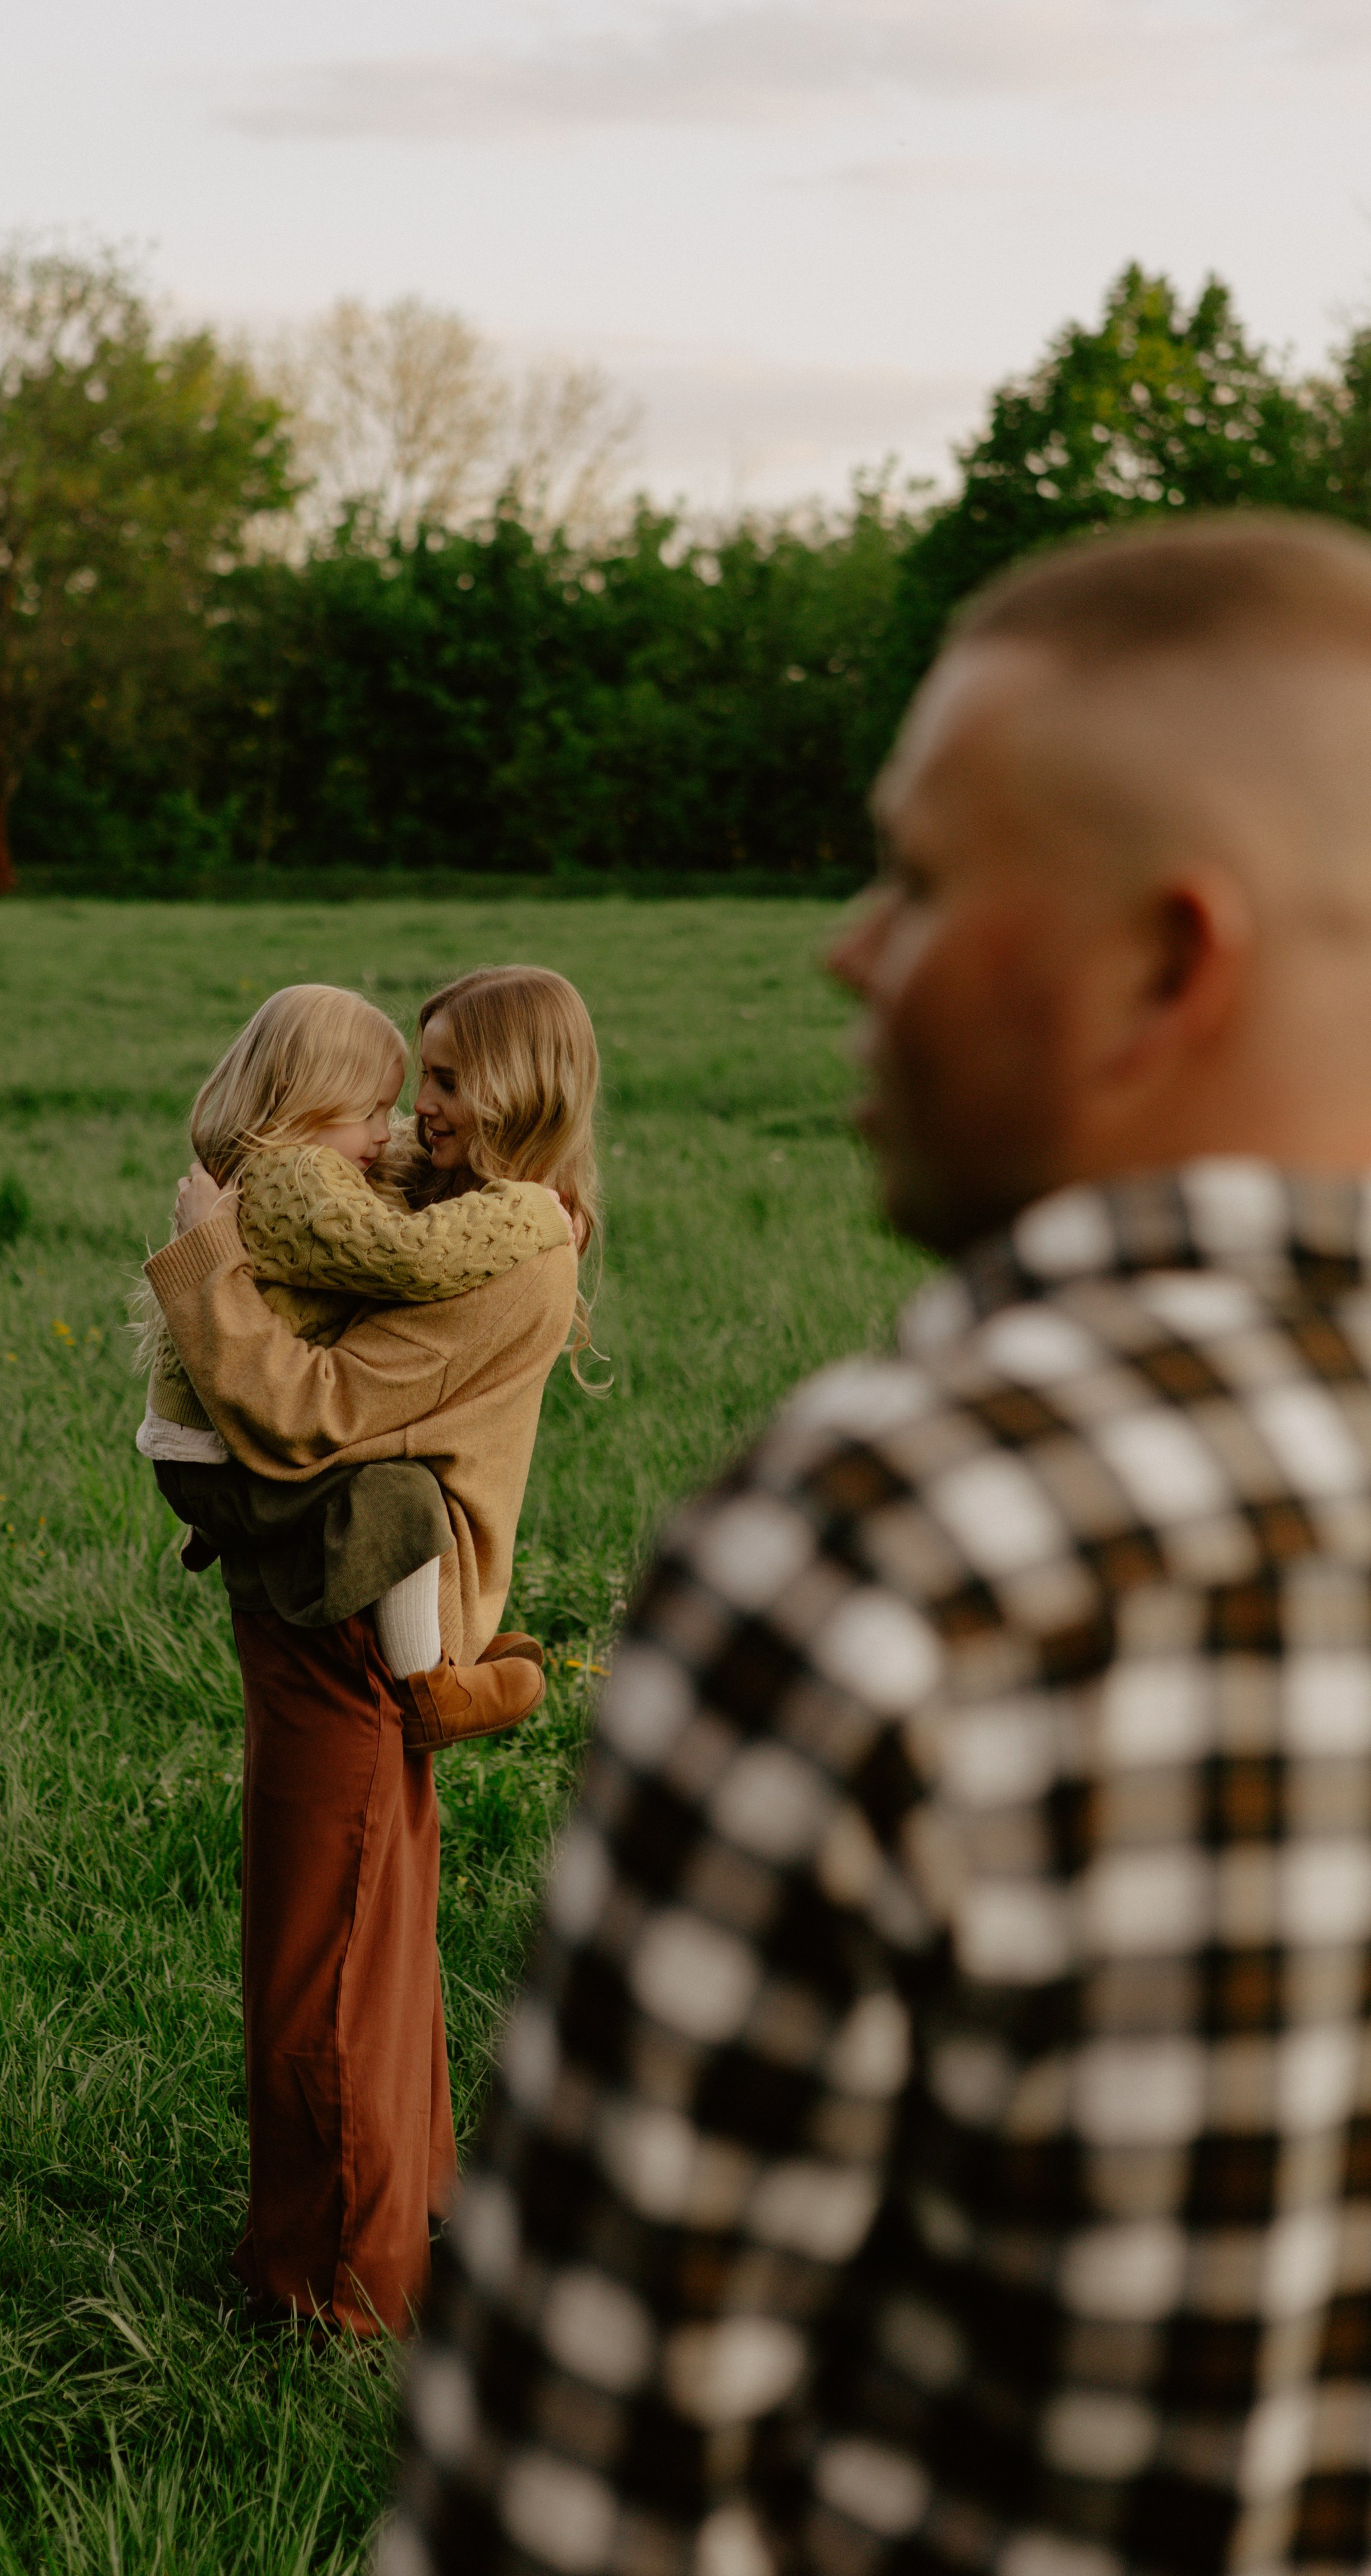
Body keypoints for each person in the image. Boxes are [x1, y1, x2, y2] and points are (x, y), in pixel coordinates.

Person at [386, 514, 1371, 2576]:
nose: (847, 945)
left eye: (918, 879)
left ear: (1165, 962)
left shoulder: (906, 1547)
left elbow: (570, 2502)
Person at [142, 965, 601, 2341]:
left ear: (521, 1088)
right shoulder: (458, 1219)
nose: (423, 1112)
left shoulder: (512, 1253)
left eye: (450, 1081)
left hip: (344, 1600)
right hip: (342, 1591)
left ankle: (330, 2289)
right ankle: (403, 2216)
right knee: (374, 1927)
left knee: (321, 1950)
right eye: (420, 1080)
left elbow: (308, 1414)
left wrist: (208, 1250)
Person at [136, 981, 574, 1746]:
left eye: (440, 1084)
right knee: (399, 1503)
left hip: (214, 1450)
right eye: (378, 1107)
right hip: (225, 1453)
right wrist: (527, 1209)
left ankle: (439, 1661)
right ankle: (429, 1687)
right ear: (307, 1101)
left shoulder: (310, 1162)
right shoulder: (300, 1177)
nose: (403, 1121)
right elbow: (400, 1259)